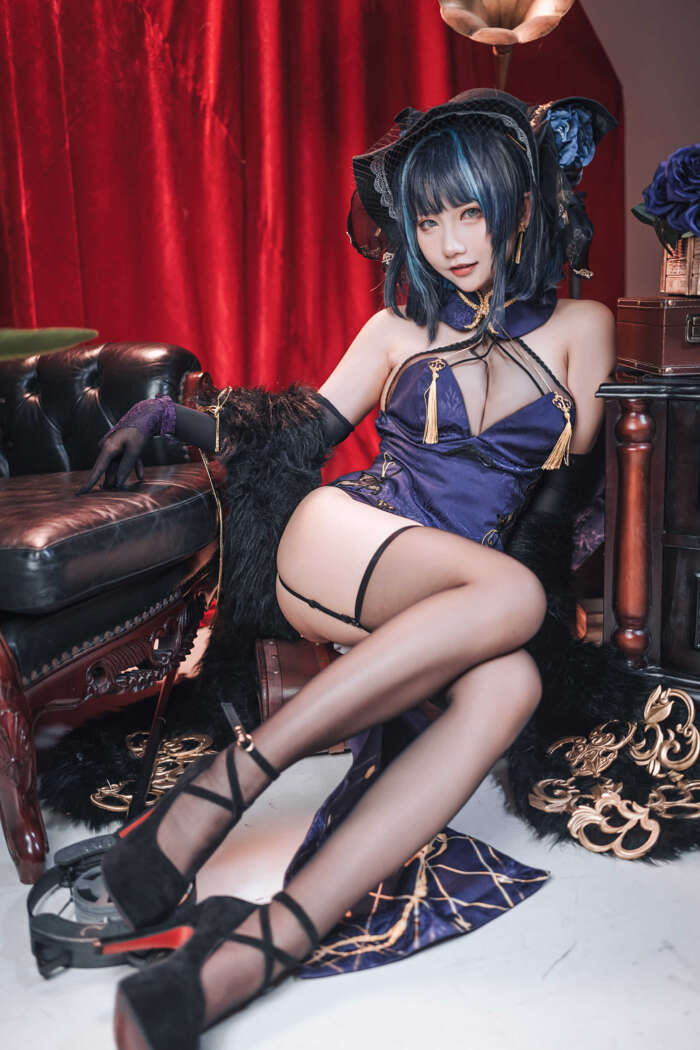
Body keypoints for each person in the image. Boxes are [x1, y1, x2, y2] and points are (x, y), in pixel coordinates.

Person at [80, 89, 616, 1050]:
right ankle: (218, 793)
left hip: (462, 596)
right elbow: (288, 438)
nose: (450, 243)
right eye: (427, 220)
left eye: (470, 212)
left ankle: (270, 942)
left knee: (516, 679)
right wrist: (168, 417)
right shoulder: (394, 335)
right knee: (513, 596)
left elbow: (559, 505)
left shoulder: (583, 325)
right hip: (340, 541)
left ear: (521, 207)